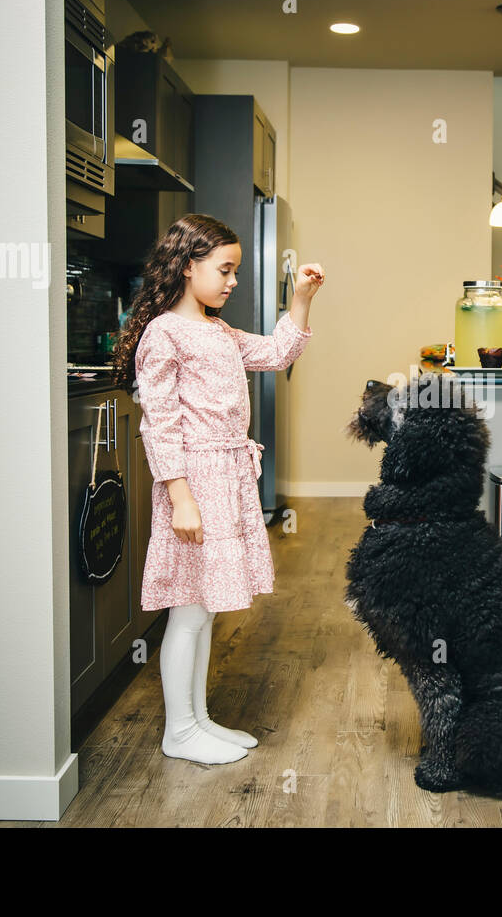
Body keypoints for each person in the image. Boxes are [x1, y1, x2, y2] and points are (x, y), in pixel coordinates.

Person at [113, 213, 323, 764]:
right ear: (188, 267)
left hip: (225, 476)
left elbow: (278, 353)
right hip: (194, 482)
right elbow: (158, 422)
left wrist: (301, 297)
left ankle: (199, 719)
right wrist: (180, 496)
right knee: (187, 610)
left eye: (234, 271)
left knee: (203, 608)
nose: (232, 281)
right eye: (224, 270)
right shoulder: (164, 334)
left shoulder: (218, 331)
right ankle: (179, 731)